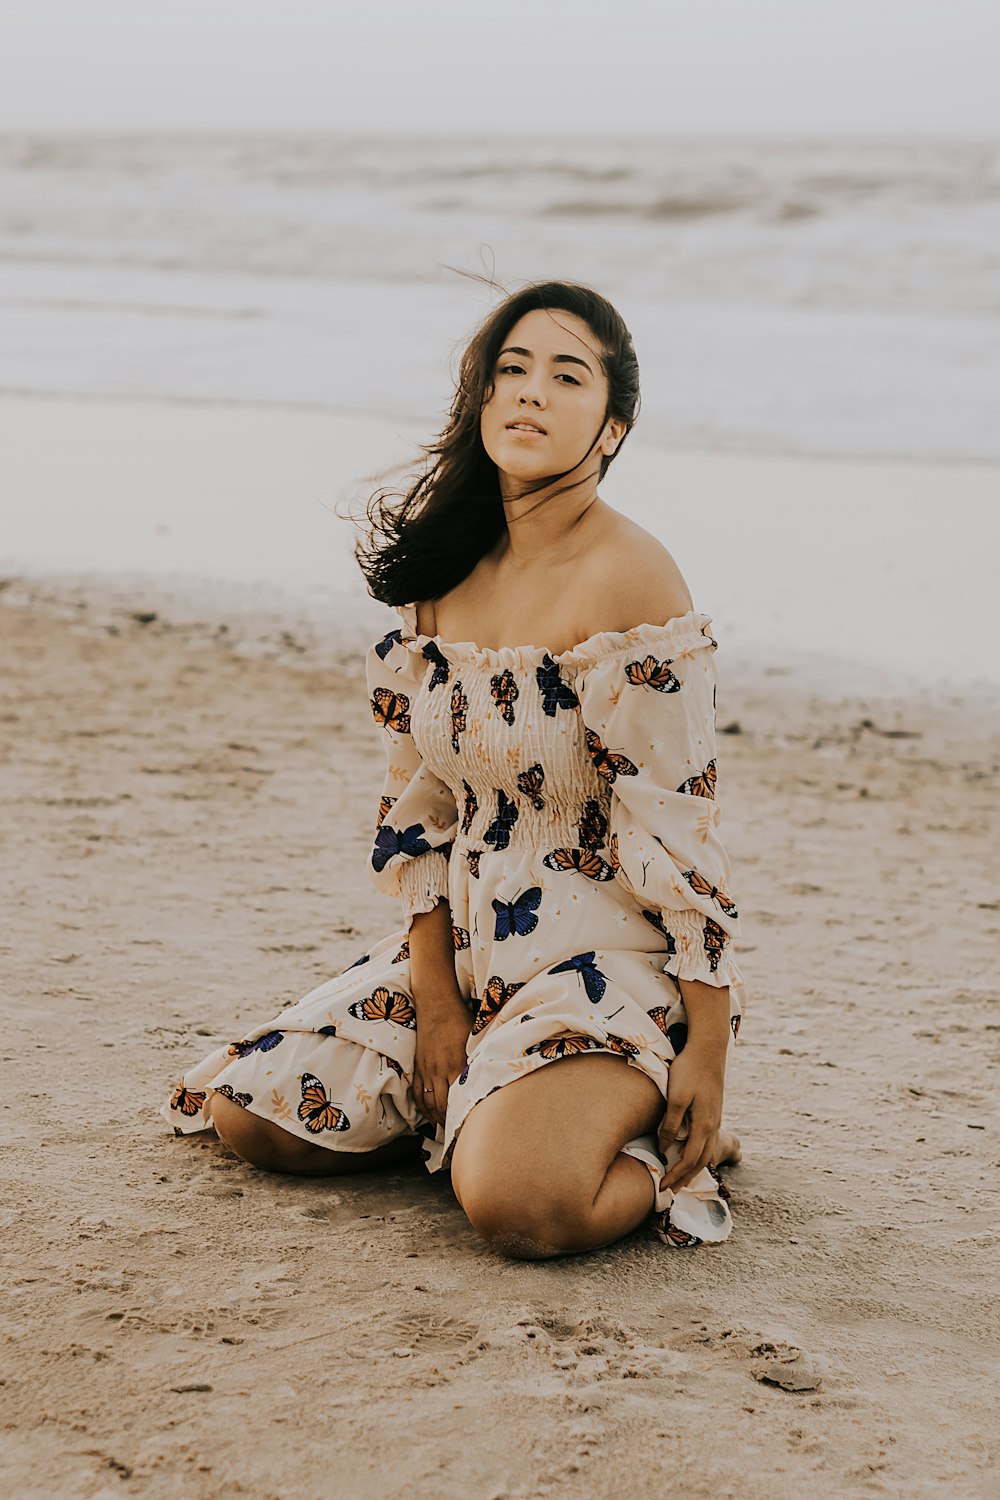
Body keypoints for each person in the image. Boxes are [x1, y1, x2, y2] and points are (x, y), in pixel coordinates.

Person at [162, 279, 746, 1258]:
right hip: (470, 954)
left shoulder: (632, 579)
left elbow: (681, 825)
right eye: (510, 370)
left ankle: (656, 1153)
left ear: (612, 427)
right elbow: (416, 810)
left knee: (521, 1210)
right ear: (478, 401)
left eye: (567, 375)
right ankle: (476, 1111)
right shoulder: (441, 574)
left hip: (605, 964)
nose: (530, 392)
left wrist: (709, 1051)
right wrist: (435, 1001)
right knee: (254, 1116)